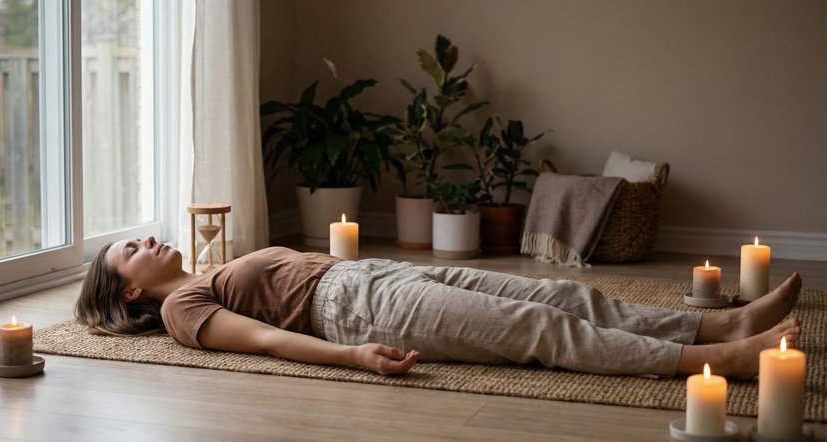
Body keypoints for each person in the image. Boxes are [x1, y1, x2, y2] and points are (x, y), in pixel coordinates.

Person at [75, 236, 802, 379]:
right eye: (129, 250)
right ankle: (706, 359)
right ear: (130, 289)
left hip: (375, 277)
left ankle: (718, 321)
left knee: (556, 293)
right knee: (540, 330)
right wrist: (353, 357)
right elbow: (263, 341)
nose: (146, 238)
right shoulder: (181, 310)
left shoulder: (210, 270)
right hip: (354, 313)